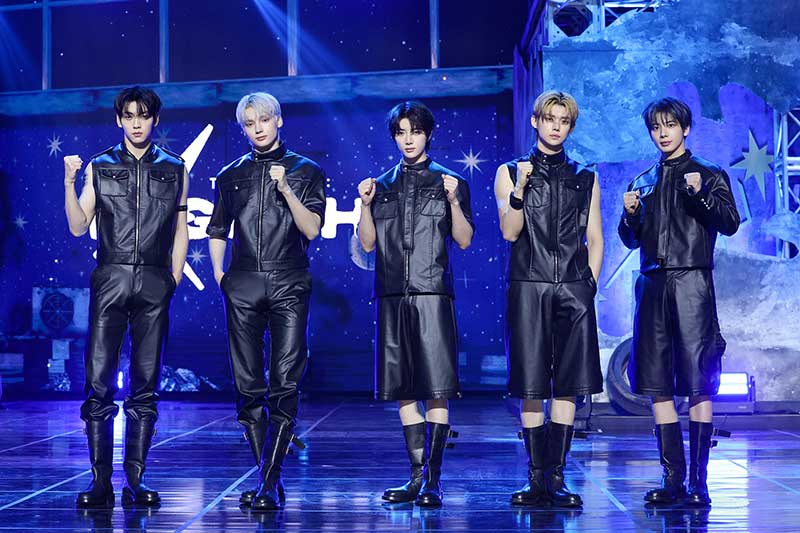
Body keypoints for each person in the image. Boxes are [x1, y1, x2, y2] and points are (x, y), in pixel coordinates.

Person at [64, 86, 189, 508]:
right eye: (129, 116)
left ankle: (136, 480)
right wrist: (68, 182)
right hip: (111, 278)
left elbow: (180, 228)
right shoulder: (100, 166)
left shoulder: (175, 167)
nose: (137, 123)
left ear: (155, 119)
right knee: (99, 382)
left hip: (155, 280)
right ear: (119, 119)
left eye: (144, 115)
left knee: (145, 384)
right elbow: (78, 226)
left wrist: (172, 278)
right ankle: (100, 481)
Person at [206, 92, 326, 511]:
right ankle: (267, 480)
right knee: (247, 385)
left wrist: (286, 189)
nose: (257, 128)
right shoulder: (230, 174)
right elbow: (217, 229)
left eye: (264, 120)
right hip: (242, 282)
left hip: (288, 280)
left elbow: (312, 229)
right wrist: (220, 276)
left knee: (285, 381)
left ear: (279, 120)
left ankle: (269, 484)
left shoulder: (306, 170)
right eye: (249, 123)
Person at [618, 97, 739, 506]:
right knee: (657, 383)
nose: (663, 133)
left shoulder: (709, 172)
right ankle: (672, 479)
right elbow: (629, 239)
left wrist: (700, 195)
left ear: (685, 128)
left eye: (670, 125)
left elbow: (730, 223)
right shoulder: (643, 180)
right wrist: (630, 216)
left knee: (698, 382)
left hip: (692, 284)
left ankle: (699, 483)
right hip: (652, 285)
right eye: (656, 127)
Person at [357, 101, 474, 508]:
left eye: (416, 131)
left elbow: (464, 240)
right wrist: (365, 205)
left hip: (432, 295)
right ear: (394, 137)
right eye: (401, 132)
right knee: (403, 391)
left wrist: (454, 202)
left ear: (428, 134)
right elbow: (367, 244)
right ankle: (416, 476)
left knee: (436, 389)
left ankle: (434, 481)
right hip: (391, 296)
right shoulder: (381, 185)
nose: (408, 139)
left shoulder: (450, 181)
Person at [494, 90, 604, 508]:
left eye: (564, 121)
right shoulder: (509, 171)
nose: (556, 127)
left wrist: (588, 285)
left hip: (573, 288)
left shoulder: (584, 175)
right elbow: (509, 231)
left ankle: (556, 477)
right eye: (550, 119)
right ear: (536, 121)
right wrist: (521, 187)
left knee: (568, 385)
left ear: (570, 127)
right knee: (531, 384)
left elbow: (595, 237)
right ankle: (535, 476)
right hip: (529, 286)